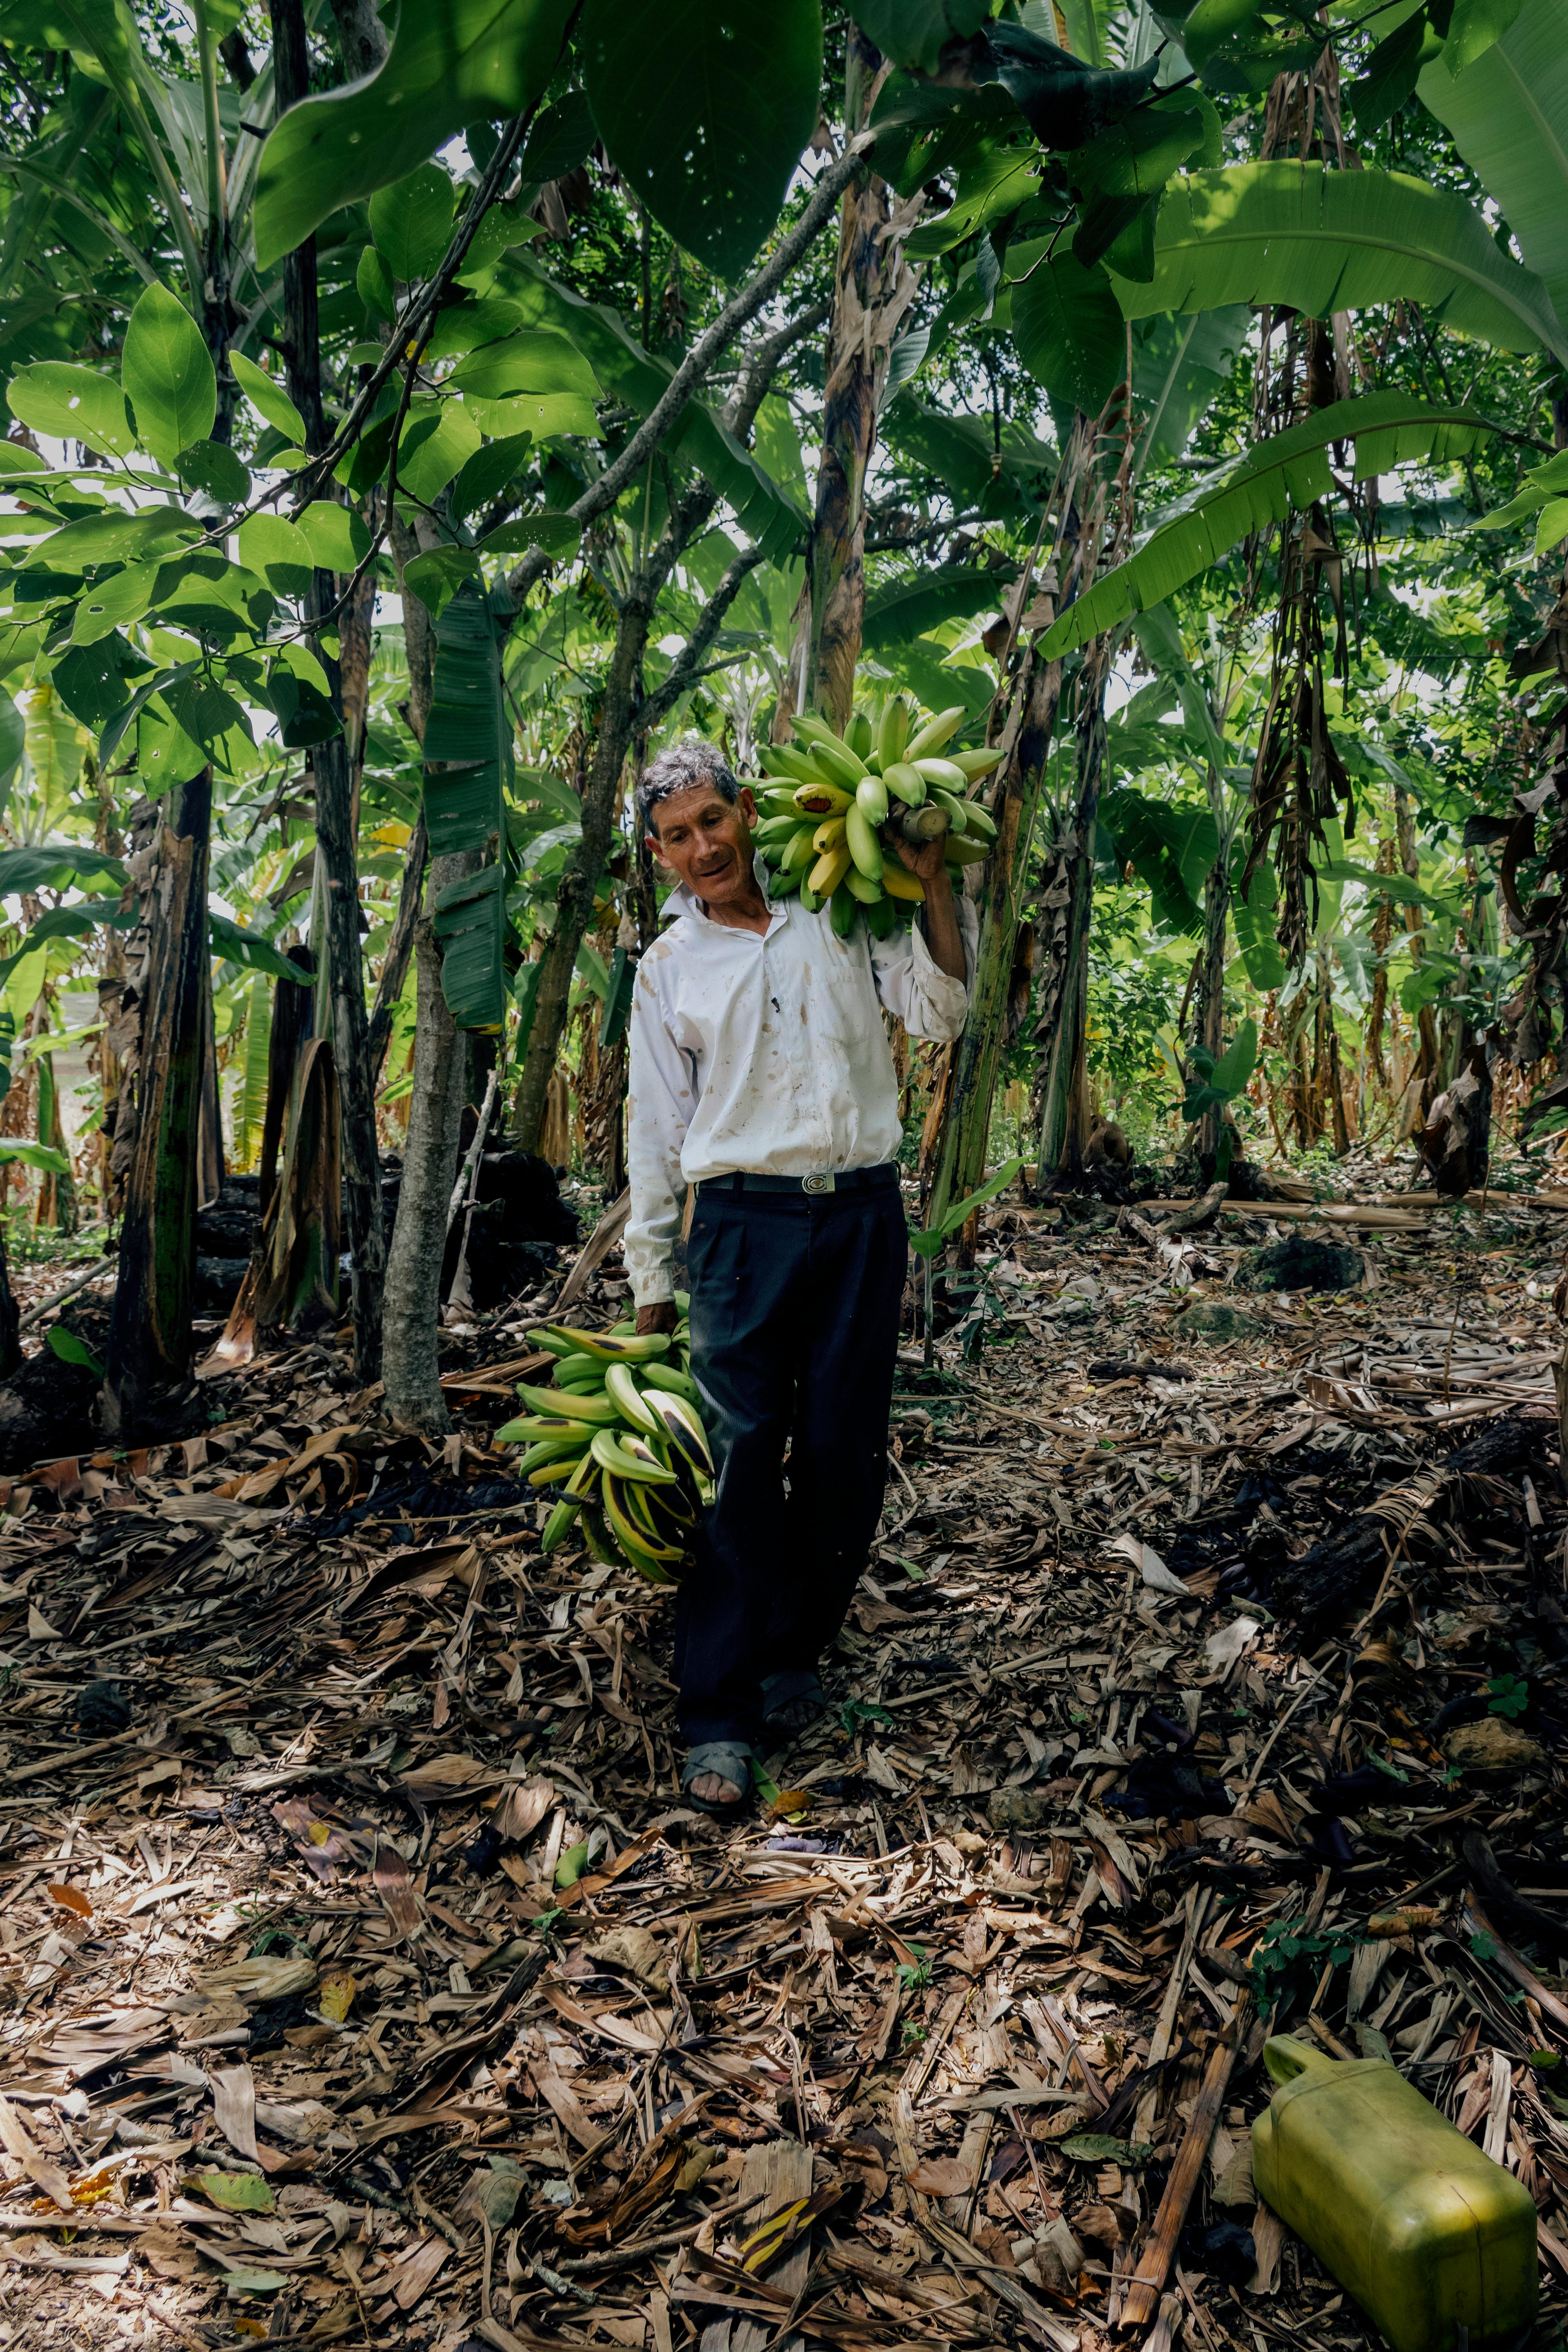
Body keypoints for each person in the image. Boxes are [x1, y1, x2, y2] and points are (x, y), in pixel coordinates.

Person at [624, 736, 975, 1815]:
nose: (703, 847)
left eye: (713, 822)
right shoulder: (666, 969)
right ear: (659, 854)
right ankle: (718, 1715)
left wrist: (934, 884)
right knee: (735, 1459)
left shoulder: (844, 914)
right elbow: (657, 1129)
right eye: (678, 837)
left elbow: (942, 1012)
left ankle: (794, 1651)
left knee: (840, 1451)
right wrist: (651, 1283)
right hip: (738, 1223)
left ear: (745, 814)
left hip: (861, 1214)